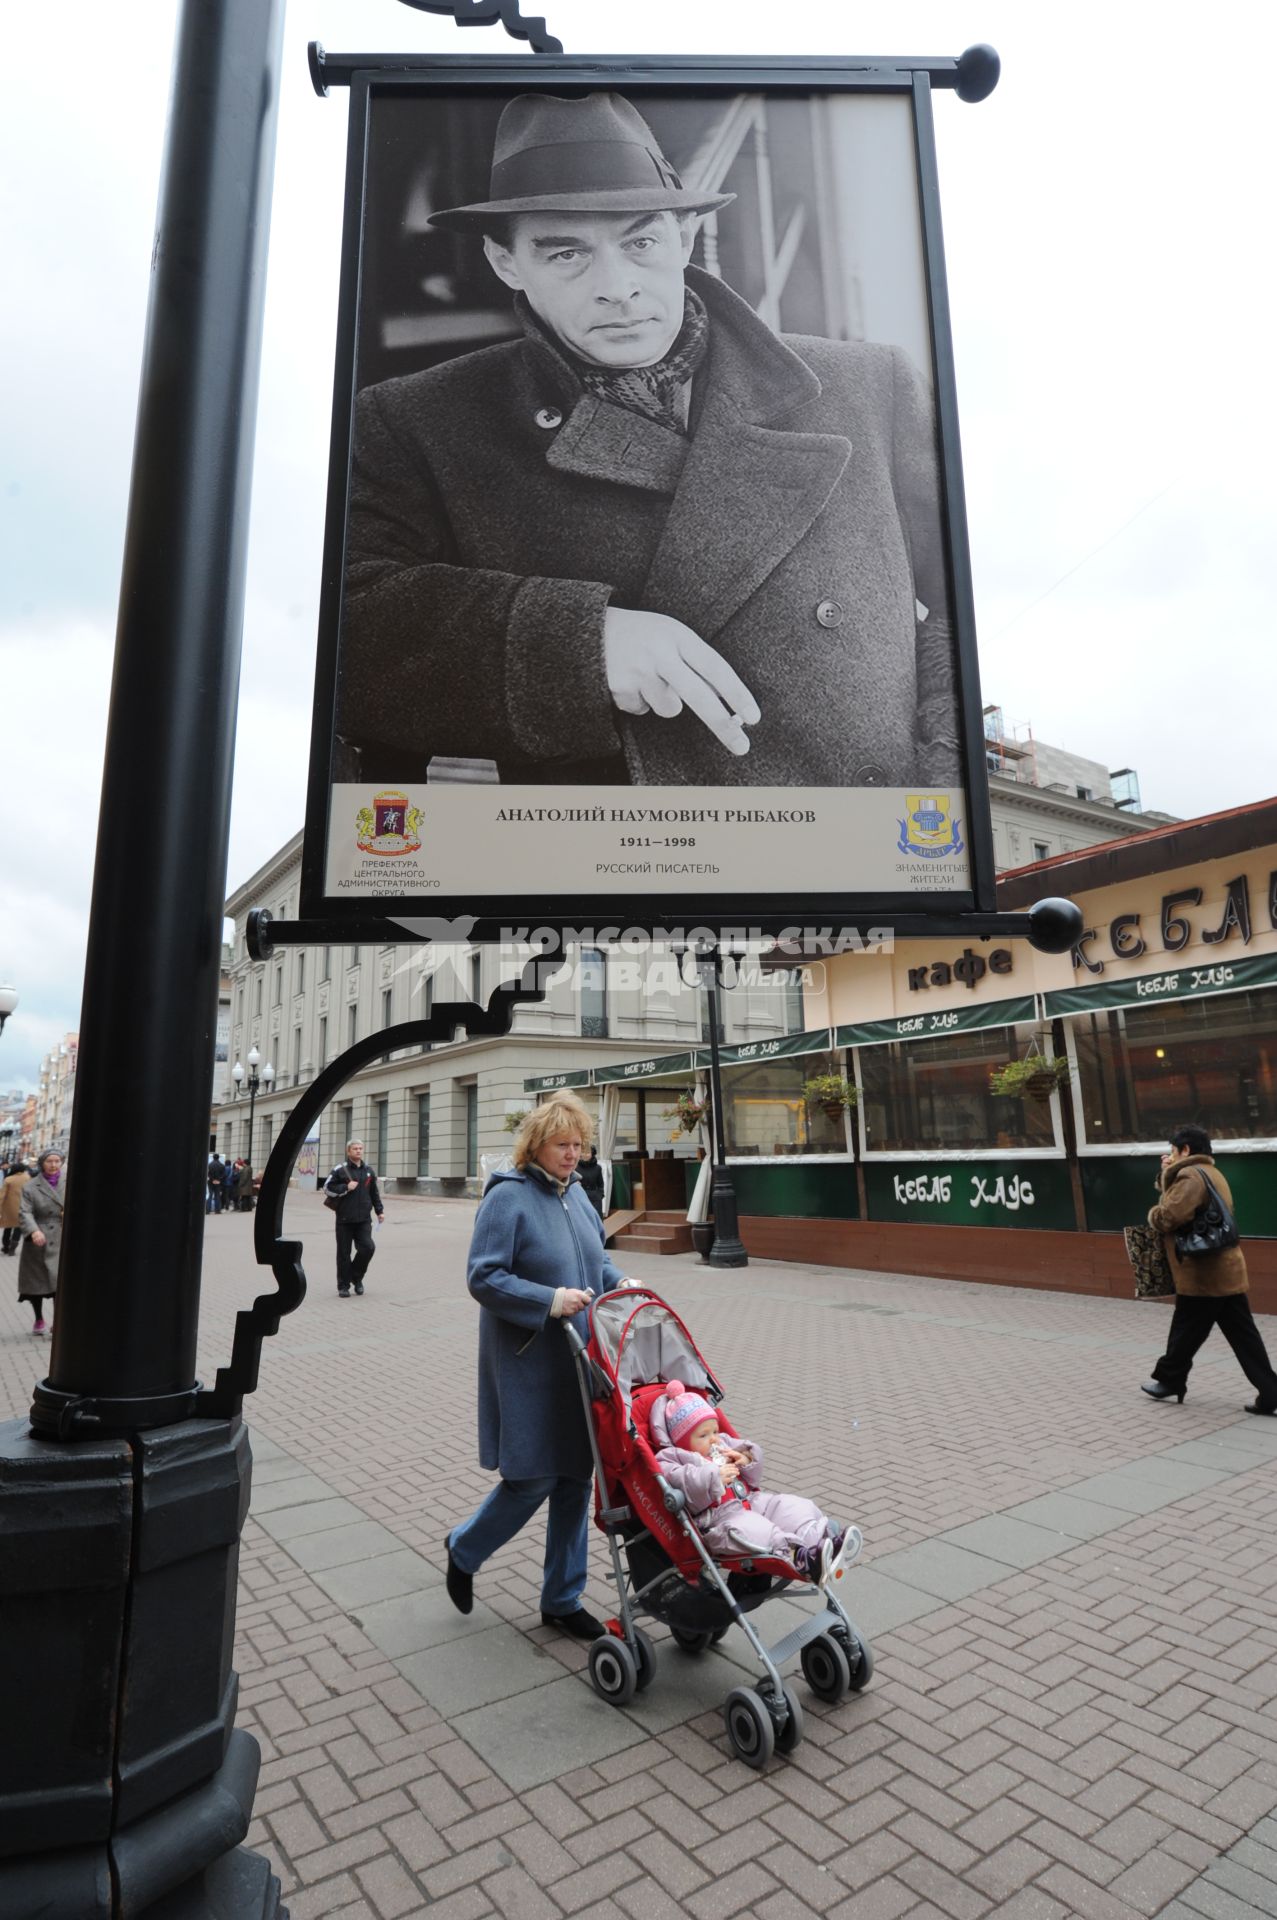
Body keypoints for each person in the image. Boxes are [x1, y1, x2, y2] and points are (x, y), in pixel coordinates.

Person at [336, 90, 957, 791]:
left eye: (641, 241)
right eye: (565, 252)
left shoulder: (871, 386)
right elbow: (349, 631)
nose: (616, 286)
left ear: (685, 238)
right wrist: (576, 644)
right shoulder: (419, 421)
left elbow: (957, 606)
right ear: (505, 262)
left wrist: (940, 788)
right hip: (614, 872)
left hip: (857, 858)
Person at [444, 1092, 633, 1639]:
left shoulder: (577, 1196)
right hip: (530, 1360)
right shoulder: (509, 1198)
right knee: (531, 1479)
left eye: (579, 1145)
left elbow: (595, 1259)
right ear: (537, 1145)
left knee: (576, 1478)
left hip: (580, 1357)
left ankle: (562, 1598)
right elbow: (484, 1276)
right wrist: (549, 1300)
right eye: (562, 1145)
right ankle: (465, 1548)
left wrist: (620, 1281)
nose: (573, 1155)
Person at [650, 1378, 861, 1583]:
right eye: (704, 1435)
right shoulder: (674, 1458)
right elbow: (683, 1481)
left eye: (715, 1430)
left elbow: (752, 1464)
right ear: (682, 1441)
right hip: (721, 1518)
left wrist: (746, 1458)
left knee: (791, 1506)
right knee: (756, 1530)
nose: (714, 1438)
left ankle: (823, 1540)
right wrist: (713, 1477)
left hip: (752, 1501)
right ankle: (801, 1558)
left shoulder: (723, 1443)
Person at [1141, 1125, 1277, 1414]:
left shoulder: (1190, 1176)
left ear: (1186, 1150)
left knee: (1185, 1330)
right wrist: (1167, 1176)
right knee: (1243, 1337)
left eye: (1173, 1151)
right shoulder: (1213, 1172)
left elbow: (1169, 1216)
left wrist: (1153, 1212)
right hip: (1225, 1270)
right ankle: (1271, 1393)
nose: (1170, 1156)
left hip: (1203, 1273)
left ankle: (1170, 1379)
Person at [324, 1139, 384, 1297]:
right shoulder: (339, 1169)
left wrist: (379, 1211)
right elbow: (327, 1188)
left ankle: (356, 1277)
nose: (358, 1151)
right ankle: (343, 1286)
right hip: (344, 1219)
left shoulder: (368, 1170)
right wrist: (345, 1187)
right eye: (355, 1148)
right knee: (344, 1254)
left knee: (368, 1248)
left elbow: (374, 1193)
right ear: (348, 1151)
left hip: (364, 1219)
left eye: (360, 1148)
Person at [17, 1150, 64, 1337]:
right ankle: (38, 1318)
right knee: (37, 1284)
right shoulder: (30, 1186)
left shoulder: (70, 1181)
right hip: (39, 1239)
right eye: (49, 1161)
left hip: (61, 1237)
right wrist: (34, 1230)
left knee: (59, 1284)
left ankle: (59, 1322)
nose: (53, 1165)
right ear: (42, 1164)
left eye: (57, 1161)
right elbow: (24, 1212)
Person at [1, 1157, 30, 1256]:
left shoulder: (9, 1179)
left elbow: (2, 1195)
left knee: (7, 1227)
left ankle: (5, 1247)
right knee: (18, 1228)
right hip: (23, 1207)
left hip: (9, 1209)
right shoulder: (27, 1178)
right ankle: (12, 1249)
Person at [578, 1144, 605, 1217]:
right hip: (580, 1199)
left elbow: (601, 1184)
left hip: (595, 1200)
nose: (585, 1155)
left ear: (592, 1154)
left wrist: (599, 1195)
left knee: (596, 1221)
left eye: (588, 1153)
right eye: (583, 1152)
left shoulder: (598, 1168)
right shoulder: (575, 1167)